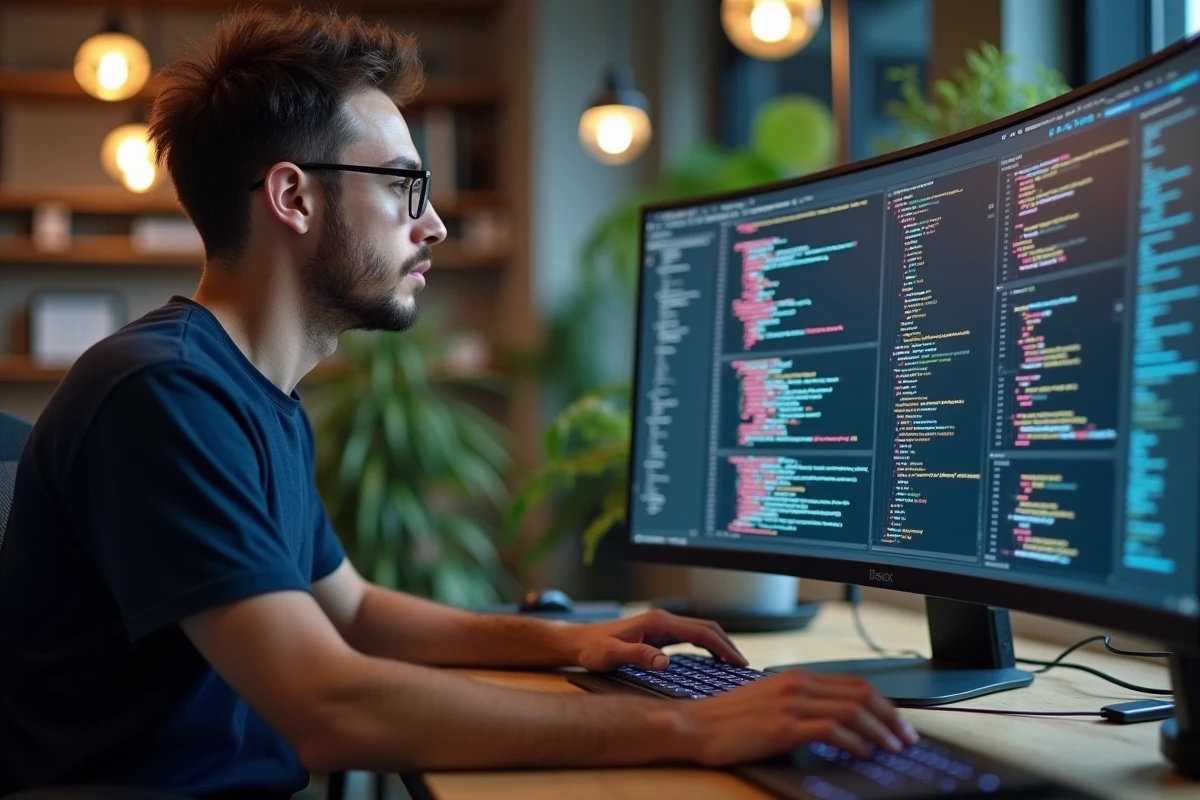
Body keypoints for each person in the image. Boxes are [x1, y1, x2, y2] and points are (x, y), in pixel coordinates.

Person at [0, 8, 917, 798]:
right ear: (292, 197)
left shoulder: (252, 397)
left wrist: (575, 640)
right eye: (405, 185)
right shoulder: (163, 393)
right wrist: (691, 725)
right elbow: (328, 706)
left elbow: (352, 611)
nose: (432, 222)